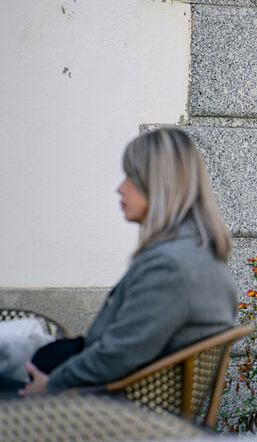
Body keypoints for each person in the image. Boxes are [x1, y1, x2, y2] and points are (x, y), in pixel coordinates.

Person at [18, 128, 237, 395]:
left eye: (130, 177)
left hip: (104, 408)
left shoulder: (170, 266)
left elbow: (119, 354)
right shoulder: (198, 253)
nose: (120, 188)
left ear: (158, 184)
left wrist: (52, 385)